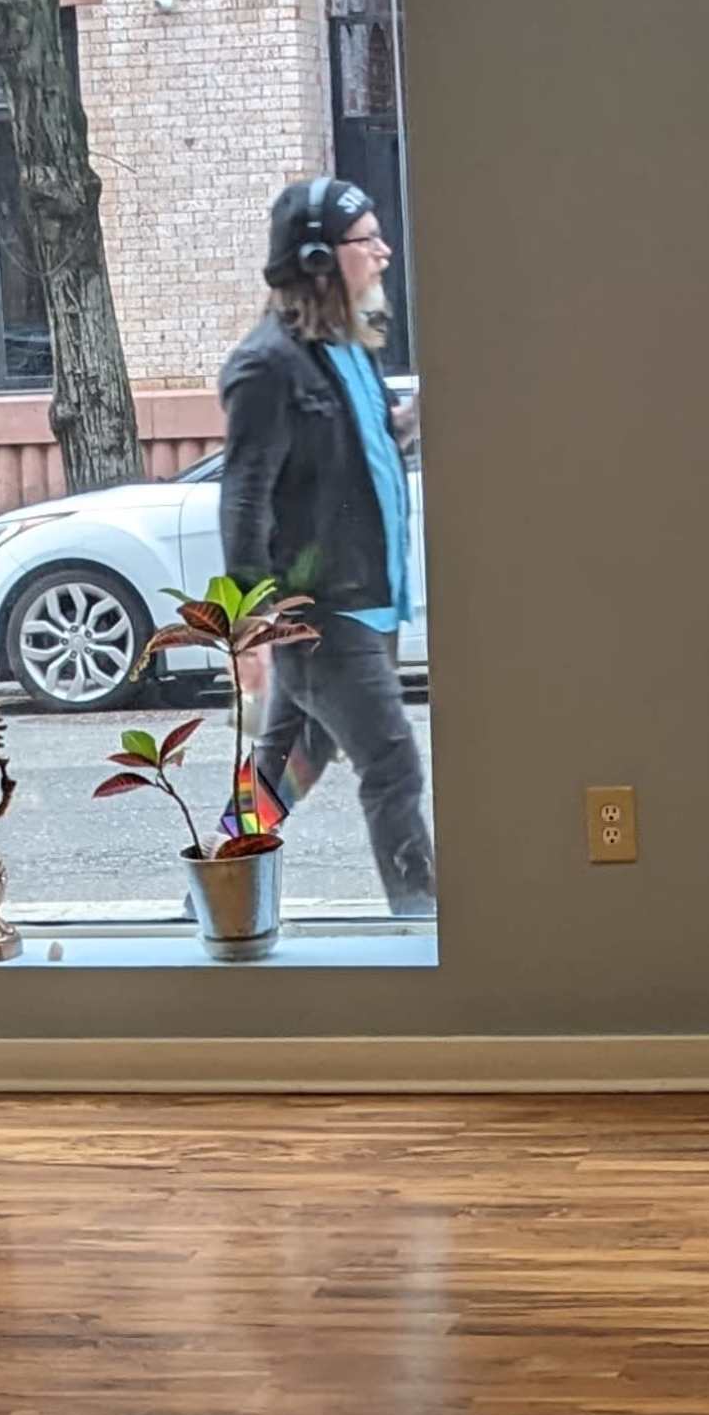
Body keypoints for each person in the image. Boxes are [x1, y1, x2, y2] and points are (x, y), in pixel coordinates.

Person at [216, 173, 434, 919]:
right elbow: (243, 497)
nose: (384, 252)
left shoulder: (346, 345)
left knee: (292, 756)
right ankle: (421, 918)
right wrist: (245, 623)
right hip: (318, 611)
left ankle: (223, 884)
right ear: (317, 258)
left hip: (369, 598)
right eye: (366, 240)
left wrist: (416, 419)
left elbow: (361, 446)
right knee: (393, 763)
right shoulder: (266, 366)